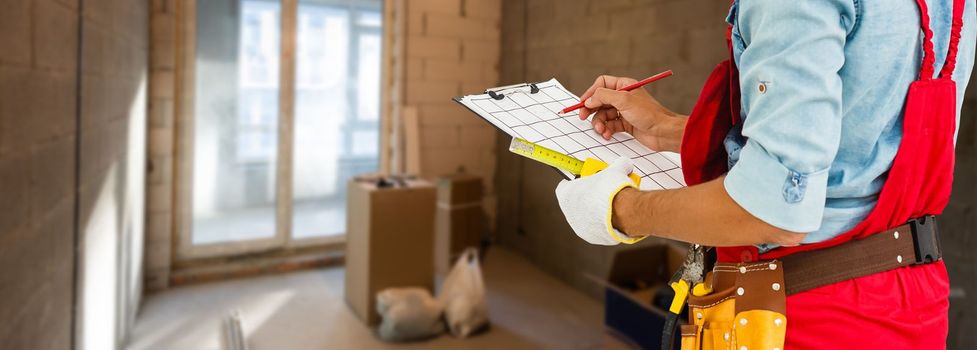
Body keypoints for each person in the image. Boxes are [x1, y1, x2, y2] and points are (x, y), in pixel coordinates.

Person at [554, 0, 976, 349]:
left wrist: (618, 209)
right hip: (909, 305)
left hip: (802, 320)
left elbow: (773, 211)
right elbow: (852, 143)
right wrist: (665, 127)